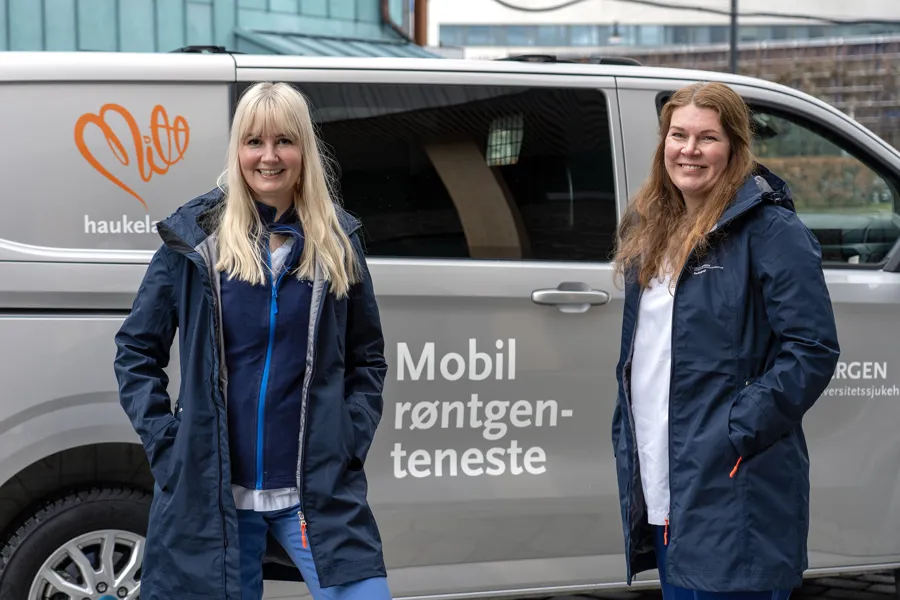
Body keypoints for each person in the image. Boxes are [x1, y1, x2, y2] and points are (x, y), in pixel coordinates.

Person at [114, 81, 391, 600]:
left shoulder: (337, 242)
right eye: (254, 142)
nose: (268, 157)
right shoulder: (195, 241)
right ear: (237, 149)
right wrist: (168, 443)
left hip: (313, 490)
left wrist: (347, 436)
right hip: (214, 493)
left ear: (304, 149)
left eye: (284, 141)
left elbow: (366, 357)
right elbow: (136, 349)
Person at [611, 81, 840, 600]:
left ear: (734, 148)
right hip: (666, 479)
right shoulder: (652, 229)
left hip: (733, 481)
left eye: (707, 138)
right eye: (678, 135)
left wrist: (737, 428)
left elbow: (812, 349)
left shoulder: (772, 231)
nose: (689, 150)